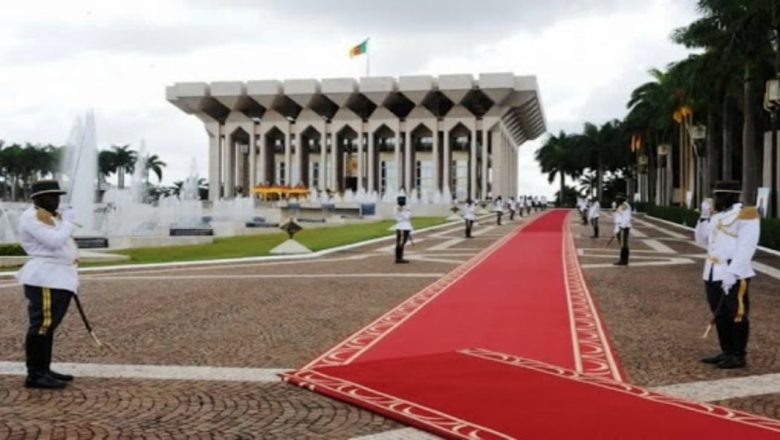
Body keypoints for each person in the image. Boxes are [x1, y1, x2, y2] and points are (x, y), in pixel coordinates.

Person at [16, 180, 79, 389]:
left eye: (58, 196)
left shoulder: (49, 217)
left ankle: (45, 369)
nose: (56, 200)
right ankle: (35, 374)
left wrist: (64, 222)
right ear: (38, 198)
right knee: (41, 326)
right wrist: (68, 223)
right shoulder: (31, 217)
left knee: (49, 326)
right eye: (51, 196)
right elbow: (54, 241)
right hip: (45, 278)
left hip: (58, 277)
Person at [695, 181, 760, 369]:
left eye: (718, 196)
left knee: (737, 314)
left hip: (733, 272)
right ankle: (726, 351)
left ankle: (738, 355)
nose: (715, 200)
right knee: (720, 313)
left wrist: (734, 273)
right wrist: (704, 216)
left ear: (730, 196)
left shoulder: (747, 214)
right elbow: (701, 240)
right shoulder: (718, 216)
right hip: (712, 272)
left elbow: (747, 246)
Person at [612, 193, 632, 266]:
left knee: (623, 244)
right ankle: (623, 260)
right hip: (619, 226)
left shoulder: (625, 206)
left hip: (623, 227)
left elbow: (627, 217)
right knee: (622, 244)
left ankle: (623, 261)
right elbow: (616, 215)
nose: (617, 200)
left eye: (618, 198)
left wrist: (622, 227)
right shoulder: (620, 205)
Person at [394, 195, 412, 264]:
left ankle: (400, 257)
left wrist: (402, 211)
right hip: (400, 226)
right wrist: (402, 211)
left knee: (403, 241)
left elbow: (407, 216)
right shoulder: (395, 207)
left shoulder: (407, 207)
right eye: (400, 200)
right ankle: (398, 258)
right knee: (399, 242)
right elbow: (397, 217)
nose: (401, 202)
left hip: (406, 226)